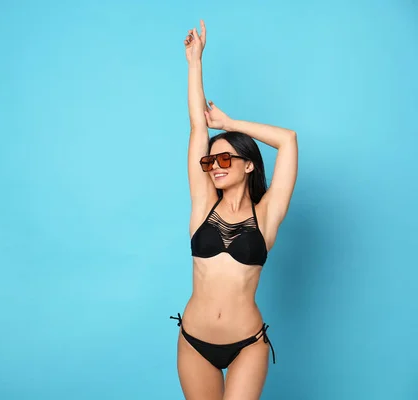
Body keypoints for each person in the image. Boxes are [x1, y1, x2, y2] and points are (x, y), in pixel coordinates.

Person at [170, 20, 298, 400]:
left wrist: (228, 124)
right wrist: (195, 61)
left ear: (249, 165)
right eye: (211, 162)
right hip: (195, 343)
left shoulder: (267, 214)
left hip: (247, 343)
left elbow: (288, 141)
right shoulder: (203, 204)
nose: (216, 166)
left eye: (226, 157)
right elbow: (197, 127)